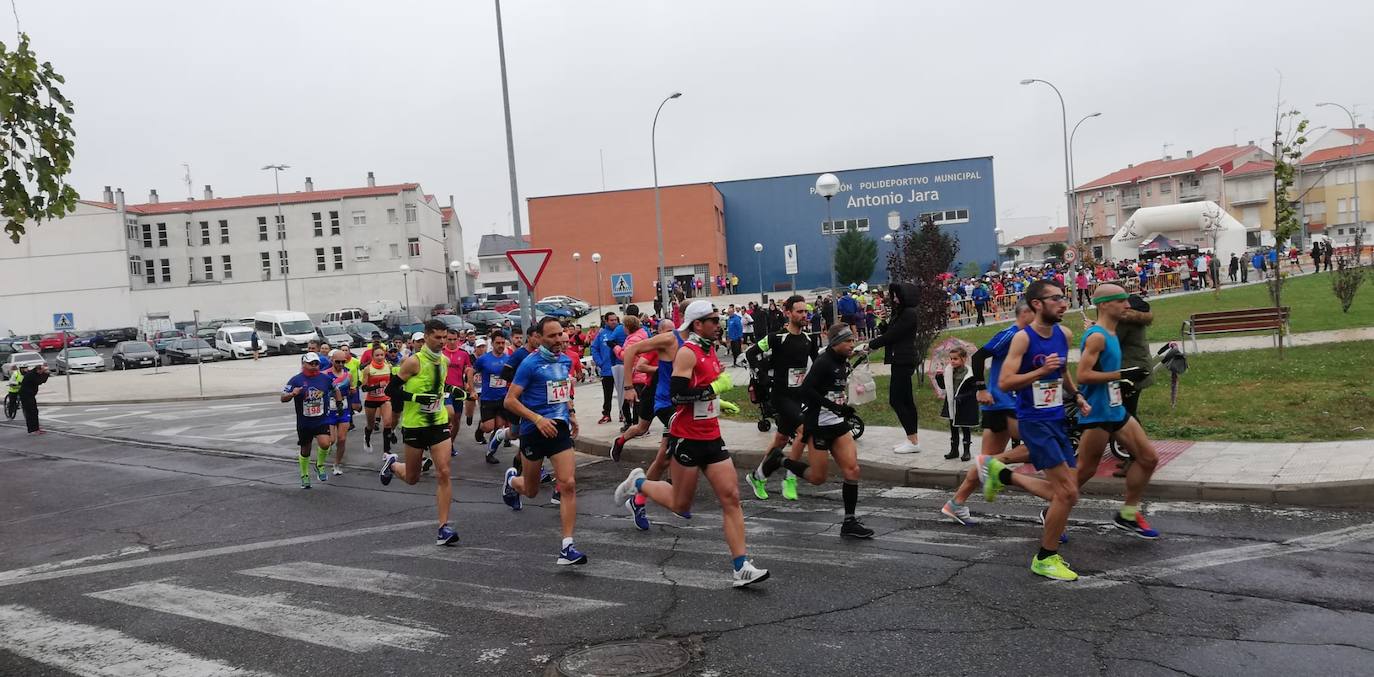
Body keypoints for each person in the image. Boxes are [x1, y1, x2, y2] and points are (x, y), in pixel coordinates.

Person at [613, 301, 770, 587]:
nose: (718, 325)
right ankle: (639, 483)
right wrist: (714, 389)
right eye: (713, 320)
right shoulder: (687, 352)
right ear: (698, 324)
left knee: (731, 497)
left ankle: (741, 567)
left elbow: (702, 391)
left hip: (712, 436)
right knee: (680, 503)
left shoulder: (709, 351)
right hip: (687, 437)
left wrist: (718, 400)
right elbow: (678, 396)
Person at [983, 279, 1090, 581]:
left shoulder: (1063, 334)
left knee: (1067, 492)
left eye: (1064, 297)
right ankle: (1045, 557)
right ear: (1037, 304)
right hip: (1033, 421)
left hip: (1057, 418)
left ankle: (1003, 474)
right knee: (1067, 493)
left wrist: (1076, 395)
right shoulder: (1023, 339)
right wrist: (1040, 371)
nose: (1064, 303)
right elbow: (1005, 382)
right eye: (1055, 298)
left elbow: (1062, 370)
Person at [1072, 284, 1160, 539]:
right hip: (1098, 411)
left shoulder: (1111, 332)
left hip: (1115, 408)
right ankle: (1053, 508)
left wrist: (1123, 377)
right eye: (1121, 300)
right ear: (1103, 305)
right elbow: (1083, 375)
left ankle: (1128, 514)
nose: (1127, 305)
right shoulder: (1097, 336)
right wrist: (1122, 375)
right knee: (1085, 471)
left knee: (1148, 459)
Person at [501, 316, 587, 565]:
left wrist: (571, 413)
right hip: (533, 431)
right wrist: (537, 419)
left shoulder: (564, 360)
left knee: (568, 484)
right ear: (539, 338)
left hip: (558, 429)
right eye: (553, 336)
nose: (559, 339)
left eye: (561, 334)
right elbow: (510, 401)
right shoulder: (530, 363)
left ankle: (567, 546)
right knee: (531, 491)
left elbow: (562, 391)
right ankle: (512, 481)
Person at [941, 301, 1035, 526]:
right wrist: (981, 388)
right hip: (1002, 402)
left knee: (985, 461)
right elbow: (978, 357)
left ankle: (956, 503)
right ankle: (1055, 506)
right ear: (1026, 312)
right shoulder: (1010, 334)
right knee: (1038, 446)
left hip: (1013, 402)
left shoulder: (1031, 336)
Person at [783, 323, 874, 538]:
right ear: (835, 343)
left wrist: (840, 408)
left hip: (838, 424)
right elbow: (806, 391)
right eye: (848, 341)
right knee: (817, 478)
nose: (851, 344)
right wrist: (833, 406)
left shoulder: (842, 359)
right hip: (819, 425)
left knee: (853, 470)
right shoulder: (823, 362)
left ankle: (849, 522)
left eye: (853, 340)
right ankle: (781, 460)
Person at [379, 319, 460, 547]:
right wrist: (416, 398)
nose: (442, 342)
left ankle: (443, 528)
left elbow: (439, 387)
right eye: (438, 337)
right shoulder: (413, 362)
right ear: (426, 337)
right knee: (412, 478)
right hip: (415, 425)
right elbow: (391, 390)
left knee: (444, 472)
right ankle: (393, 465)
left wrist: (455, 390)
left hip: (438, 422)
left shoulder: (444, 361)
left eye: (445, 338)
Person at [613, 315, 688, 531]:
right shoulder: (665, 342)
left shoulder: (696, 343)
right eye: (667, 330)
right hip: (656, 397)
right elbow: (638, 361)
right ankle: (672, 494)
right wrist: (628, 387)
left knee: (664, 457)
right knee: (643, 428)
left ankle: (640, 496)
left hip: (682, 403)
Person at [745, 295, 819, 502]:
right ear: (788, 313)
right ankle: (790, 478)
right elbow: (751, 353)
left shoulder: (809, 339)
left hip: (799, 396)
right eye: (799, 311)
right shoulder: (776, 337)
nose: (804, 315)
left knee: (781, 440)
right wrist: (761, 375)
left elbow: (817, 365)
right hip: (780, 396)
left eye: (806, 311)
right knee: (804, 430)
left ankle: (758, 477)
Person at [869, 282, 922, 453]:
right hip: (899, 359)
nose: (895, 299)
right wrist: (882, 321)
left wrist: (870, 345)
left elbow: (892, 336)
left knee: (897, 400)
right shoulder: (900, 313)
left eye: (897, 296)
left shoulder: (909, 313)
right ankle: (912, 439)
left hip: (903, 359)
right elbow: (889, 332)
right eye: (893, 296)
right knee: (906, 400)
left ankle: (912, 441)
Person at [281, 352, 342, 489]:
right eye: (311, 364)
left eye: (316, 363)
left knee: (326, 443)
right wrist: (292, 394)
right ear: (304, 364)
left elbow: (336, 389)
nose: (314, 366)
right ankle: (304, 475)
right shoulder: (296, 380)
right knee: (305, 449)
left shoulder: (325, 378)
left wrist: (339, 404)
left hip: (321, 419)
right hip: (304, 421)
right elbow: (283, 397)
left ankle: (320, 465)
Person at [473, 333, 512, 457]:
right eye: (498, 343)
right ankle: (481, 428)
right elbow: (471, 372)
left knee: (499, 426)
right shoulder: (484, 359)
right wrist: (471, 389)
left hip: (502, 397)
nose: (501, 345)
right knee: (488, 427)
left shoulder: (508, 359)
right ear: (492, 343)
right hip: (487, 398)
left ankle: (490, 452)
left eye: (503, 343)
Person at [935, 346, 977, 461]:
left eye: (955, 359)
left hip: (964, 404)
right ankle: (954, 450)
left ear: (964, 358)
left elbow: (973, 390)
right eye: (951, 359)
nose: (952, 361)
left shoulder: (969, 373)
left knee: (965, 427)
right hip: (952, 404)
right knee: (953, 427)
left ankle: (967, 451)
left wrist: (962, 397)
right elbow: (944, 386)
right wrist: (939, 377)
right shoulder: (949, 371)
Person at [359, 345, 394, 455]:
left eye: (382, 355)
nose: (380, 357)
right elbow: (364, 388)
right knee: (371, 425)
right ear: (373, 356)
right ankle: (367, 438)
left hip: (385, 398)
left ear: (385, 355)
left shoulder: (388, 367)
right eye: (377, 355)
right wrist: (377, 386)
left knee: (387, 423)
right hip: (371, 399)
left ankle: (387, 451)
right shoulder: (368, 369)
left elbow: (392, 382)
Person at [325, 350, 354, 476]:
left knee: (342, 439)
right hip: (330, 410)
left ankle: (336, 464)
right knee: (331, 440)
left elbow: (352, 390)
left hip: (344, 409)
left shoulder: (348, 375)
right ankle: (322, 456)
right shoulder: (325, 374)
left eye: (343, 362)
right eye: (338, 362)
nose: (341, 364)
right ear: (332, 361)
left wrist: (354, 398)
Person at [591, 312, 620, 424]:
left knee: (622, 393)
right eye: (611, 320)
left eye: (615, 320)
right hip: (607, 370)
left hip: (620, 368)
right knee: (607, 394)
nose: (614, 322)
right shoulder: (601, 334)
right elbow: (594, 348)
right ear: (606, 321)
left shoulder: (621, 332)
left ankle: (623, 413)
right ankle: (606, 414)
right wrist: (600, 362)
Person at [17, 364, 48, 434]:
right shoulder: (31, 375)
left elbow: (42, 380)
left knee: (33, 411)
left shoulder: (34, 373)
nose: (42, 372)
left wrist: (46, 374)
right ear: (38, 370)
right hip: (26, 395)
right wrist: (46, 374)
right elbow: (39, 381)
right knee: (31, 411)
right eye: (42, 371)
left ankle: (34, 428)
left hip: (29, 395)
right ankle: (34, 429)